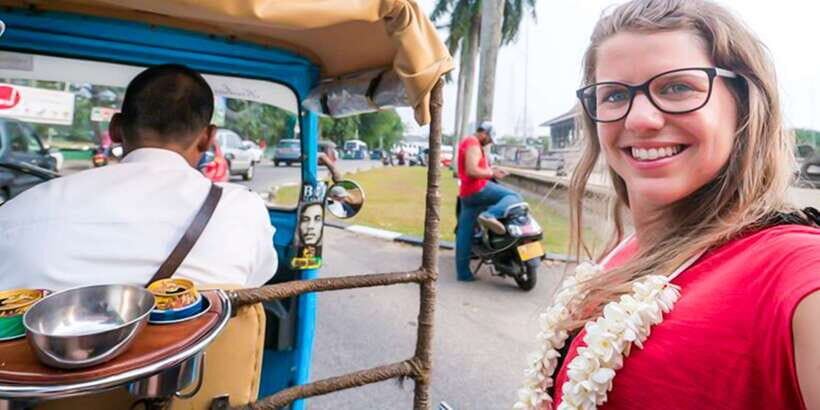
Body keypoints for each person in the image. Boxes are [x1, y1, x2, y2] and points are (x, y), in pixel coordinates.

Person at [514, 1, 820, 409]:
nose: (640, 119)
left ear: (744, 103)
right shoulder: (627, 251)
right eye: (615, 95)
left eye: (677, 87)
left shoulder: (795, 271)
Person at [0, 64, 277, 290]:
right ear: (207, 138)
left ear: (116, 128)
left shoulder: (23, 209)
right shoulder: (242, 210)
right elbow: (255, 282)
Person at [455, 121, 523, 281]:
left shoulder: (469, 143)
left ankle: (463, 274)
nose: (490, 142)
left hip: (467, 193)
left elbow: (473, 168)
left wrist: (492, 169)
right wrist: (492, 174)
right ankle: (490, 215)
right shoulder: (473, 143)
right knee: (514, 198)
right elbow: (472, 170)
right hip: (479, 188)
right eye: (490, 138)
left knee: (464, 233)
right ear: (484, 133)